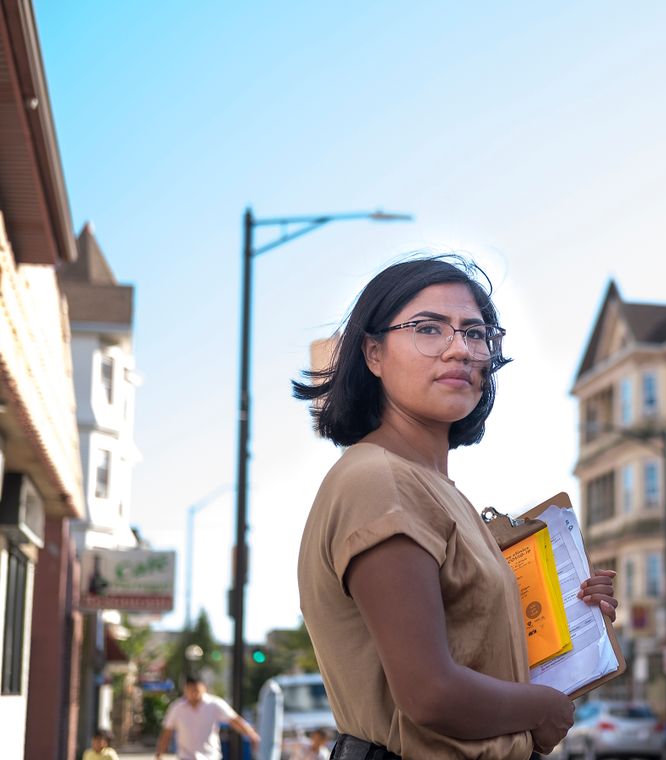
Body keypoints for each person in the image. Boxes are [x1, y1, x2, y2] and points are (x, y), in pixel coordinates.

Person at [294, 255, 618, 759]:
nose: (460, 350)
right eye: (429, 329)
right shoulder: (381, 481)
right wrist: (543, 709)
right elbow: (430, 694)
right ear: (373, 353)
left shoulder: (433, 487)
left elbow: (471, 659)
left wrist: (570, 620)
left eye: (475, 333)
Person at [154, 676, 260, 760]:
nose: (194, 694)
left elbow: (234, 720)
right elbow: (167, 731)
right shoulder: (177, 708)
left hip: (210, 756)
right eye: (191, 690)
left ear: (204, 688)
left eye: (196, 690)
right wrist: (159, 754)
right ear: (185, 690)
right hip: (186, 757)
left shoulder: (215, 704)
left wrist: (251, 734)